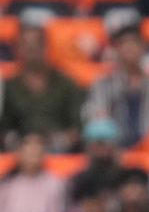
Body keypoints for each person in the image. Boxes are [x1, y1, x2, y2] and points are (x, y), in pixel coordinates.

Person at [85, 17, 149, 148]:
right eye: (124, 43)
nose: (130, 48)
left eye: (135, 42)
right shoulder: (103, 84)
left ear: (144, 47)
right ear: (116, 49)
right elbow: (95, 118)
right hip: (114, 151)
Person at [0, 22, 86, 152]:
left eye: (37, 43)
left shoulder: (66, 84)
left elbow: (78, 126)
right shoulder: (7, 87)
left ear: (46, 46)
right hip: (18, 150)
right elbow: (3, 128)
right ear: (17, 48)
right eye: (26, 44)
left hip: (60, 150)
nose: (32, 48)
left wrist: (59, 140)